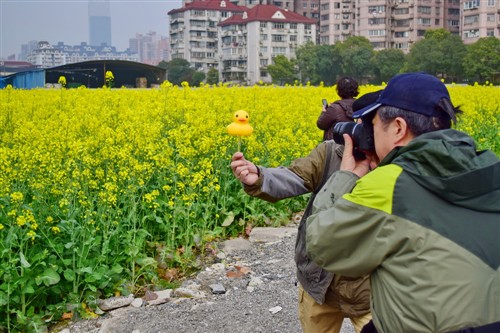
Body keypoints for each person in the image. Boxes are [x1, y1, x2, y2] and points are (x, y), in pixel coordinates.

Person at [306, 72, 500, 333]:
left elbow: (321, 243)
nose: (369, 135)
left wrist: (347, 176)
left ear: (398, 127)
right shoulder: (490, 167)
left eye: (372, 125)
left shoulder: (391, 183)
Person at [230, 91, 382, 333]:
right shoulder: (331, 152)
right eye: (360, 124)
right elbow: (295, 176)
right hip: (319, 283)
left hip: (371, 291)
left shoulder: (397, 166)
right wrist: (258, 176)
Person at [317, 76, 359, 141]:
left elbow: (321, 124)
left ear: (339, 90)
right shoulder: (361, 106)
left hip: (336, 146)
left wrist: (324, 111)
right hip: (355, 145)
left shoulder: (334, 108)